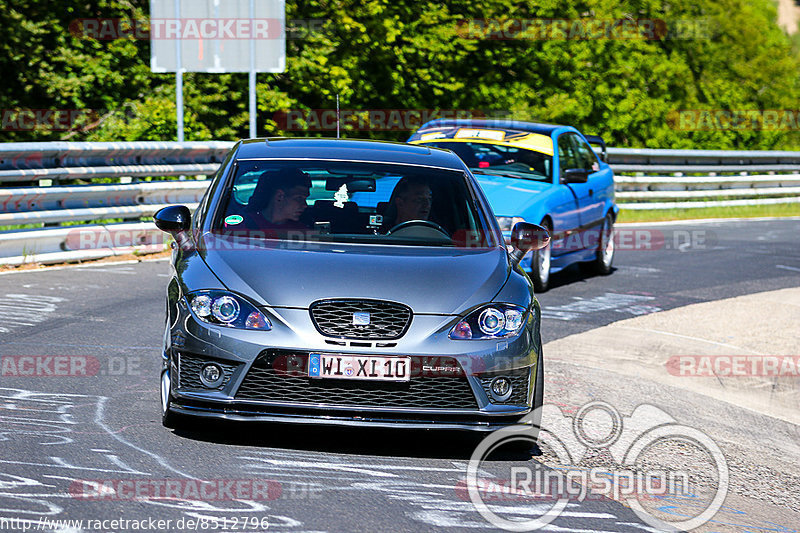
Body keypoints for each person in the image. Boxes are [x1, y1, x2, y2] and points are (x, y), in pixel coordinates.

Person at [242, 168, 311, 232]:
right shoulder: (241, 226)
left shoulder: (303, 234)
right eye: (299, 198)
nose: (305, 205)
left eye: (305, 199)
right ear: (279, 196)